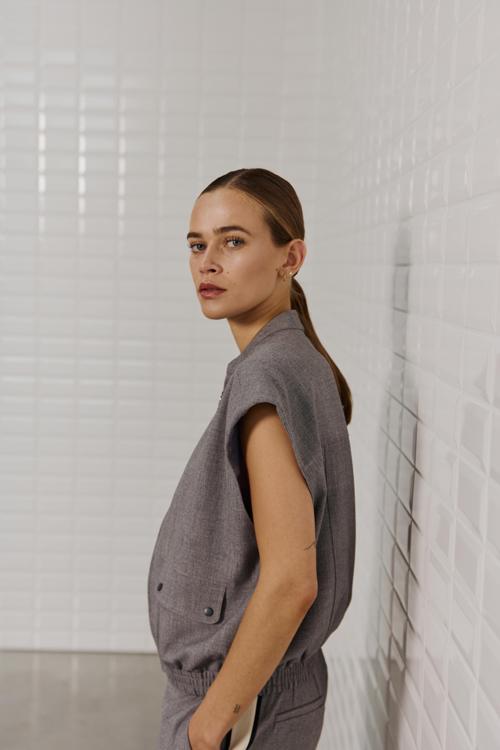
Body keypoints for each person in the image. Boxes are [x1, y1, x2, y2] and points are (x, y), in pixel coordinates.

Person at [147, 167, 356, 749]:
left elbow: (291, 581)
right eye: (197, 245)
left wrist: (211, 720)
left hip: (242, 706)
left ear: (292, 257)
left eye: (233, 241)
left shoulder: (267, 376)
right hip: (258, 693)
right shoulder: (291, 361)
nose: (208, 263)